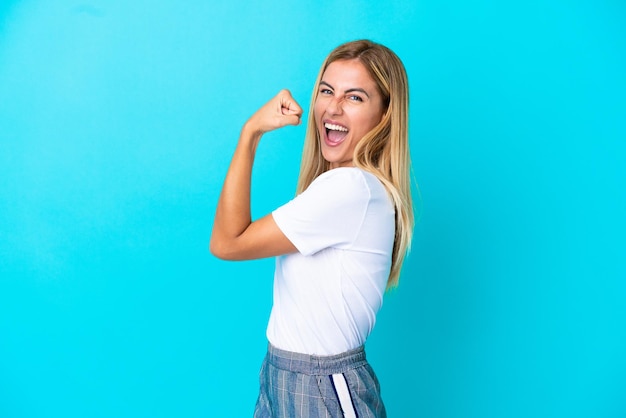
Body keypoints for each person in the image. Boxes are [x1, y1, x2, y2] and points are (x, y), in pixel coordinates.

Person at [210, 39, 414, 418]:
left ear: (385, 116)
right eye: (326, 90)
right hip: (280, 374)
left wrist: (251, 133)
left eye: (355, 98)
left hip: (322, 386)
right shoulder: (338, 188)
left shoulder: (352, 189)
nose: (333, 107)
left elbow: (227, 242)